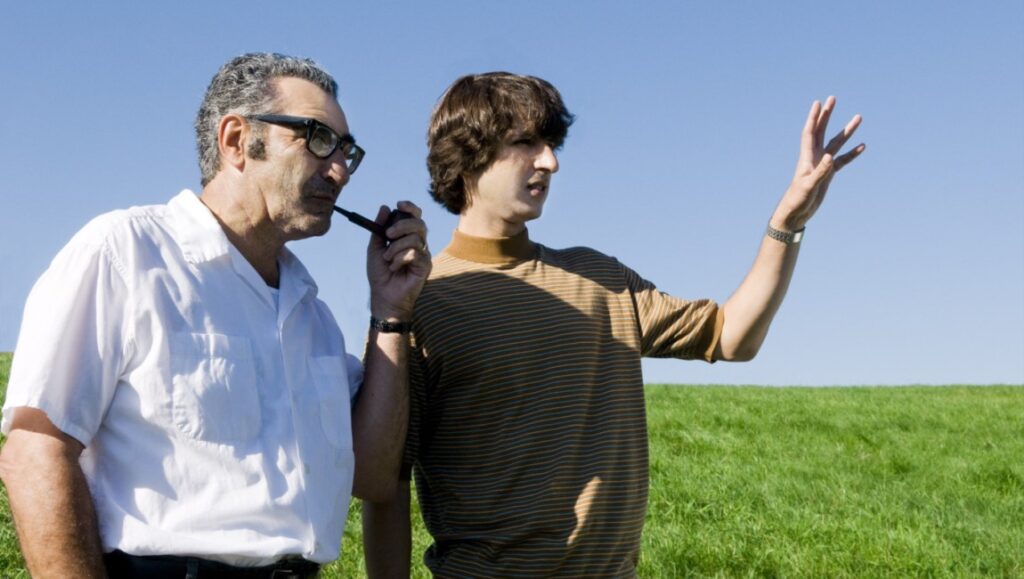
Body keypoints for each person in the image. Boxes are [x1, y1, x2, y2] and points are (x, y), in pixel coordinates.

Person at [361, 72, 865, 577]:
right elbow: (385, 488)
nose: (550, 161)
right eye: (526, 142)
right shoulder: (416, 302)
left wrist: (788, 223)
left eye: (552, 144)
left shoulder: (600, 277)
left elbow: (734, 337)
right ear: (469, 155)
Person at [0, 52, 430, 578]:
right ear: (235, 140)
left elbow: (374, 477)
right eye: (318, 139)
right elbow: (36, 451)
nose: (339, 170)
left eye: (347, 151)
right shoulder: (126, 253)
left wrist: (390, 311)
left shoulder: (313, 316)